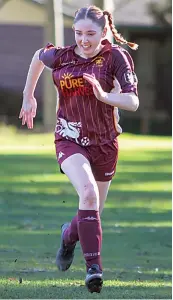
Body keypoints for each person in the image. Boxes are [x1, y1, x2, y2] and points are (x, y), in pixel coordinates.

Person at [19, 5, 139, 294]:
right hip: (69, 138)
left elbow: (132, 102)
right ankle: (94, 270)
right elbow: (38, 57)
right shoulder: (63, 56)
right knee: (87, 193)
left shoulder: (116, 58)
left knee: (92, 210)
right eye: (78, 33)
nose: (83, 40)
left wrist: (104, 95)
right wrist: (28, 96)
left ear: (104, 32)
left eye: (90, 34)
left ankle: (68, 235)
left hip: (105, 143)